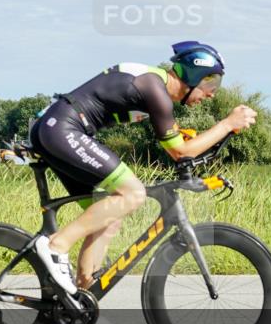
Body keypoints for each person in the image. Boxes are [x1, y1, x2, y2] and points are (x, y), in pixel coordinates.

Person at [28, 41, 257, 300]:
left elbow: (181, 143)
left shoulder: (156, 88)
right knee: (133, 193)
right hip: (63, 129)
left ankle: (81, 296)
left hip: (58, 128)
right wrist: (227, 123)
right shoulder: (155, 90)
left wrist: (198, 137)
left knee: (108, 218)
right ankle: (56, 246)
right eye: (210, 85)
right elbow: (181, 152)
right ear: (193, 76)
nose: (212, 94)